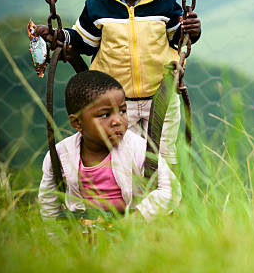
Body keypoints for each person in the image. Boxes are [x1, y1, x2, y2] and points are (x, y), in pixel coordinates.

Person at [36, 0, 201, 165]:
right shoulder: (98, 6)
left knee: (164, 158)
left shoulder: (165, 0)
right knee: (125, 160)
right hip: (117, 104)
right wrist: (59, 36)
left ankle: (167, 200)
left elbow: (178, 38)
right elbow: (85, 42)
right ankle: (131, 202)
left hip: (161, 93)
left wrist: (193, 31)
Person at [38, 70, 181, 220]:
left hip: (129, 224)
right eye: (105, 115)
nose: (117, 121)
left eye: (122, 111)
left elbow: (170, 189)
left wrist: (137, 219)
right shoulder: (61, 154)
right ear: (77, 122)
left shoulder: (137, 148)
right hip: (84, 228)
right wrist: (56, 239)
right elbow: (49, 202)